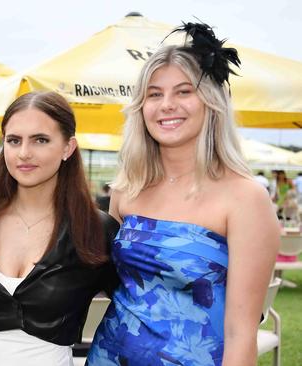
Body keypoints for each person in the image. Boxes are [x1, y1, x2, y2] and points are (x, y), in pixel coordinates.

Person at [87, 23, 280, 366]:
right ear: (140, 107)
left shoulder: (244, 198)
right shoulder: (127, 189)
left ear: (211, 102)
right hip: (107, 357)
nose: (167, 105)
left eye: (184, 91)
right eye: (154, 93)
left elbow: (240, 335)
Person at [0, 91, 119, 366]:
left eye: (40, 140)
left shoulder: (97, 231)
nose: (24, 153)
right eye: (14, 141)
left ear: (68, 148)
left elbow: (132, 312)